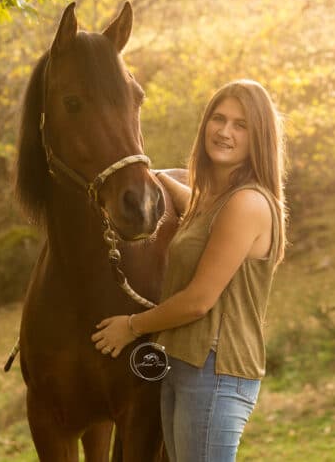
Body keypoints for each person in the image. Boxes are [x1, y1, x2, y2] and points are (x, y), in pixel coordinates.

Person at [91, 78, 287, 462]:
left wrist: (130, 327)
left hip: (215, 371)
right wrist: (157, 177)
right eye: (219, 118)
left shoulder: (246, 204)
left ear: (259, 137)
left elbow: (199, 301)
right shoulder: (218, 201)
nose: (225, 132)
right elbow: (195, 213)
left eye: (240, 125)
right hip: (185, 365)